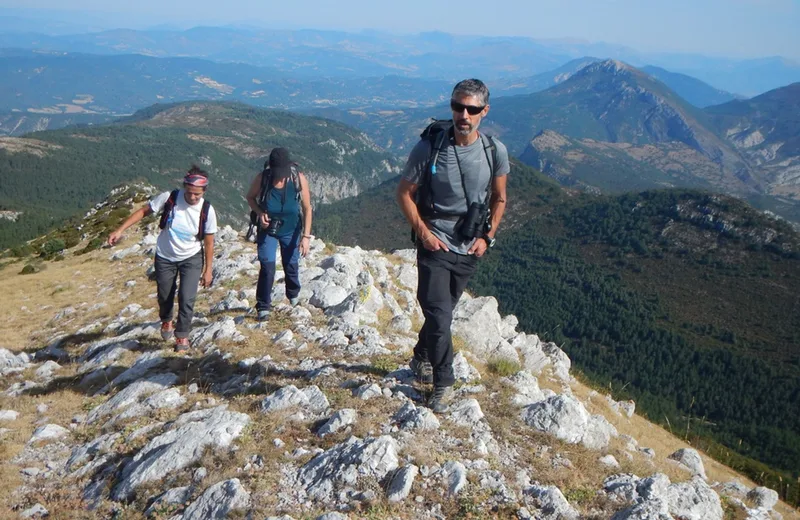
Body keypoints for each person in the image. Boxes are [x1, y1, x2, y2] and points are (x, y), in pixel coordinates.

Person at [396, 79, 510, 413]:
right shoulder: (429, 148)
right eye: (458, 107)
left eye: (472, 109)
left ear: (484, 112)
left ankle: (421, 356)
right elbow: (404, 193)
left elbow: (500, 198)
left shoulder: (494, 152)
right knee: (438, 313)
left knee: (441, 315)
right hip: (434, 243)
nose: (464, 114)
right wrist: (423, 231)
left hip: (469, 246)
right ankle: (443, 381)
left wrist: (487, 237)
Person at [108, 166, 217, 352]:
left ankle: (182, 336)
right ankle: (166, 320)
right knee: (165, 295)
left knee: (187, 297)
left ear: (204, 191)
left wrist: (208, 270)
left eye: (197, 195)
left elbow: (209, 243)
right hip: (165, 257)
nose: (193, 197)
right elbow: (143, 211)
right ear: (184, 187)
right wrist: (120, 230)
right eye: (190, 193)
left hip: (191, 257)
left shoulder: (207, 210)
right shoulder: (170, 198)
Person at [246, 147, 313, 321]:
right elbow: (250, 197)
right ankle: (263, 306)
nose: (280, 176)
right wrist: (260, 213)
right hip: (268, 230)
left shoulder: (298, 178)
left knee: (291, 264)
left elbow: (307, 208)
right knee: (267, 266)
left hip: (291, 229)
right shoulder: (264, 178)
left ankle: (293, 296)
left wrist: (306, 237)